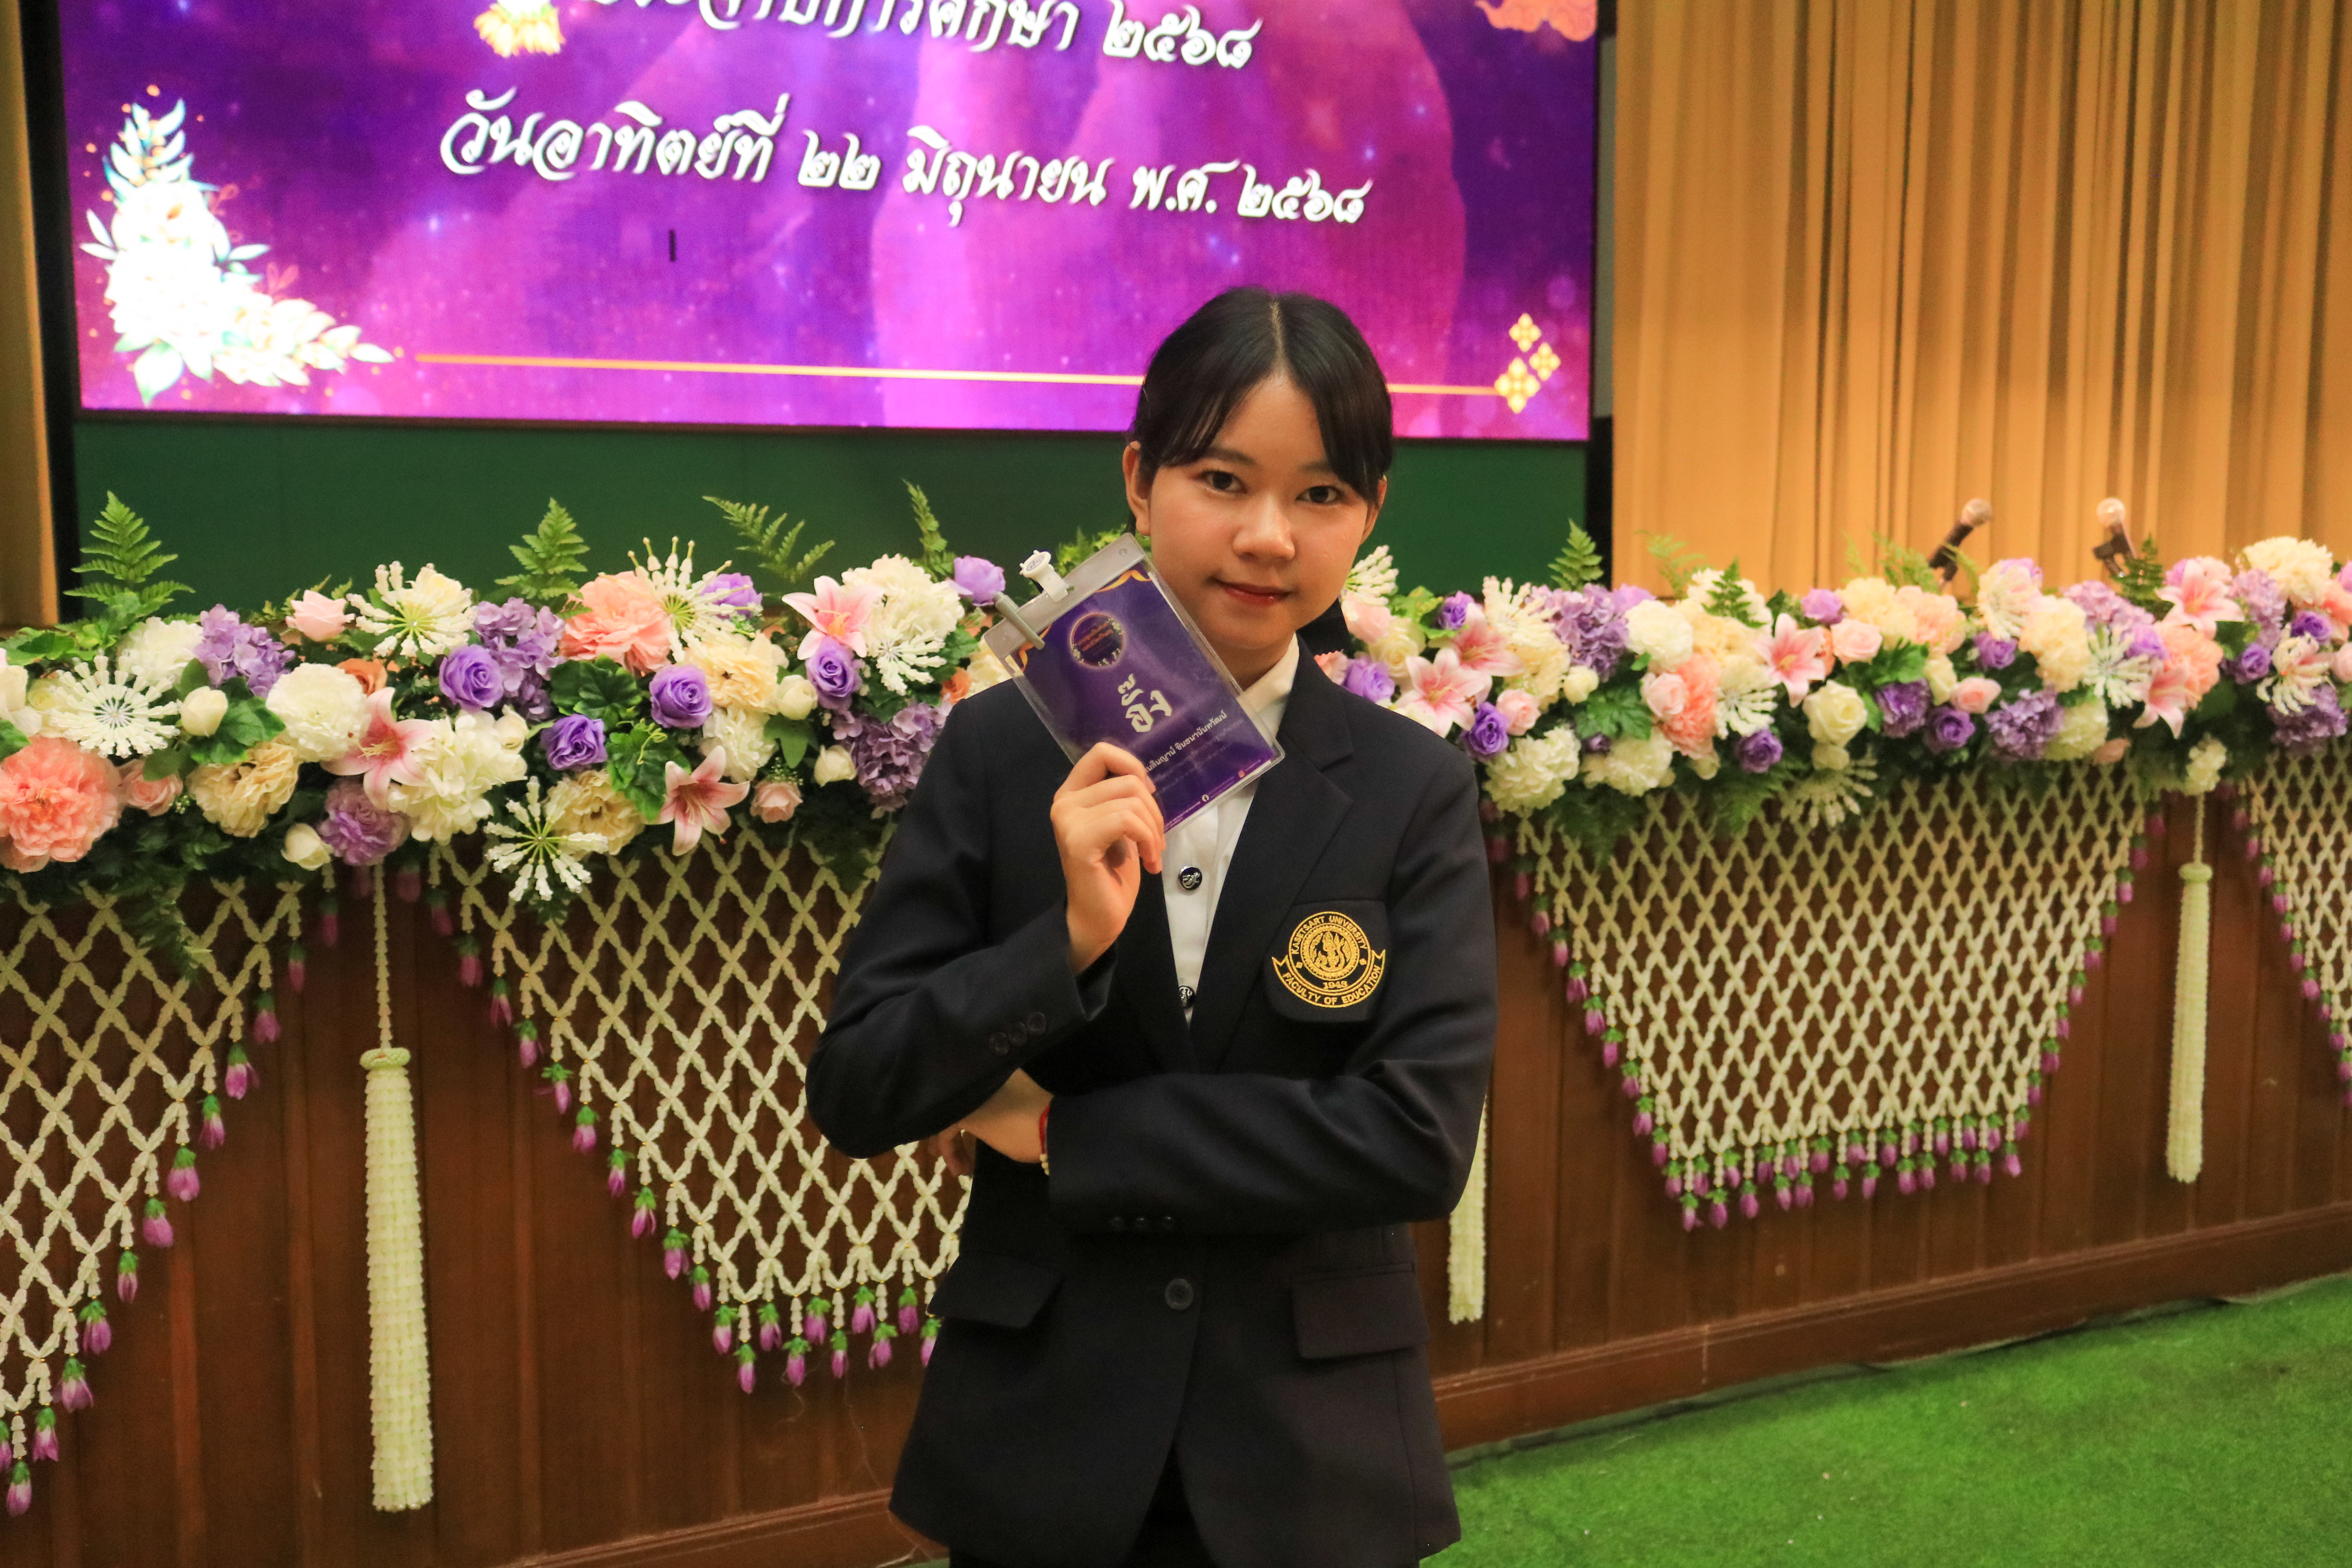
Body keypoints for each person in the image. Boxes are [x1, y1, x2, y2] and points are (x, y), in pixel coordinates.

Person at [806, 288, 1498, 1568]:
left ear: (1370, 514)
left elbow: (1413, 1141)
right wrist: (1063, 945)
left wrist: (1066, 1134)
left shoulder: (1412, 787)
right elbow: (859, 1089)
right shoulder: (1001, 751)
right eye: (1222, 480)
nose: (1268, 537)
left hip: (1315, 1459)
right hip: (1042, 1437)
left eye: (1320, 495)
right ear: (1139, 480)